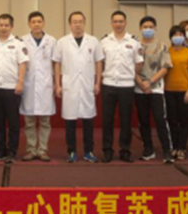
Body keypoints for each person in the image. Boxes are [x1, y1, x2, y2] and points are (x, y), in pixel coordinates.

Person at [54, 11, 104, 163]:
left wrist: (97, 82)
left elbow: (98, 62)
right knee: (70, 121)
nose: (77, 24)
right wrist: (58, 84)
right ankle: (71, 151)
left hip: (88, 85)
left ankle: (89, 151)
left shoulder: (93, 41)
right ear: (70, 24)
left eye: (80, 21)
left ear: (84, 23)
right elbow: (57, 63)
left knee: (88, 121)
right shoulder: (62, 42)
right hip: (70, 86)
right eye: (74, 21)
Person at [99, 10, 142, 163]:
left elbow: (138, 63)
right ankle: (107, 150)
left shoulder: (134, 41)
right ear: (111, 23)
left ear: (126, 23)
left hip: (126, 85)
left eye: (121, 21)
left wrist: (129, 74)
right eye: (115, 21)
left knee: (126, 120)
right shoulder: (104, 41)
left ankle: (125, 150)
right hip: (108, 84)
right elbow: (100, 62)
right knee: (107, 120)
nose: (118, 24)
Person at [0, 14, 29, 163]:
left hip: (12, 88)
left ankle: (12, 151)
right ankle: (0, 150)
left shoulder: (18, 43)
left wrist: (20, 82)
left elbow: (23, 64)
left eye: (6, 25)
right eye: (1, 25)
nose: (3, 28)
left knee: (13, 122)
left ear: (11, 27)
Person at [136, 16, 174, 163]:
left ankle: (167, 150)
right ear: (140, 29)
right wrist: (141, 83)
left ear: (155, 28)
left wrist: (150, 82)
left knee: (160, 119)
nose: (148, 29)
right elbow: (131, 68)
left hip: (156, 89)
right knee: (143, 121)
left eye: (151, 27)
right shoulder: (135, 46)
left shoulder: (162, 46)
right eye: (145, 27)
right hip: (139, 89)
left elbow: (165, 68)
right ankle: (148, 149)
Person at [20, 12, 56, 162]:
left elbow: (56, 63)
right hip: (28, 84)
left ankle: (42, 150)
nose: (36, 24)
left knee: (45, 121)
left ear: (43, 23)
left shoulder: (52, 41)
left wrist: (56, 83)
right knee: (29, 121)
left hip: (46, 85)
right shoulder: (22, 41)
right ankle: (31, 150)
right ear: (29, 24)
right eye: (33, 22)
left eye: (39, 21)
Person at [164, 25, 188, 161]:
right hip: (169, 90)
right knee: (172, 120)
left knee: (184, 120)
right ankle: (174, 147)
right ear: (171, 37)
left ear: (184, 37)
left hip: (185, 90)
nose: (178, 37)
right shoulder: (166, 52)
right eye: (175, 35)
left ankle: (182, 148)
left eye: (180, 35)